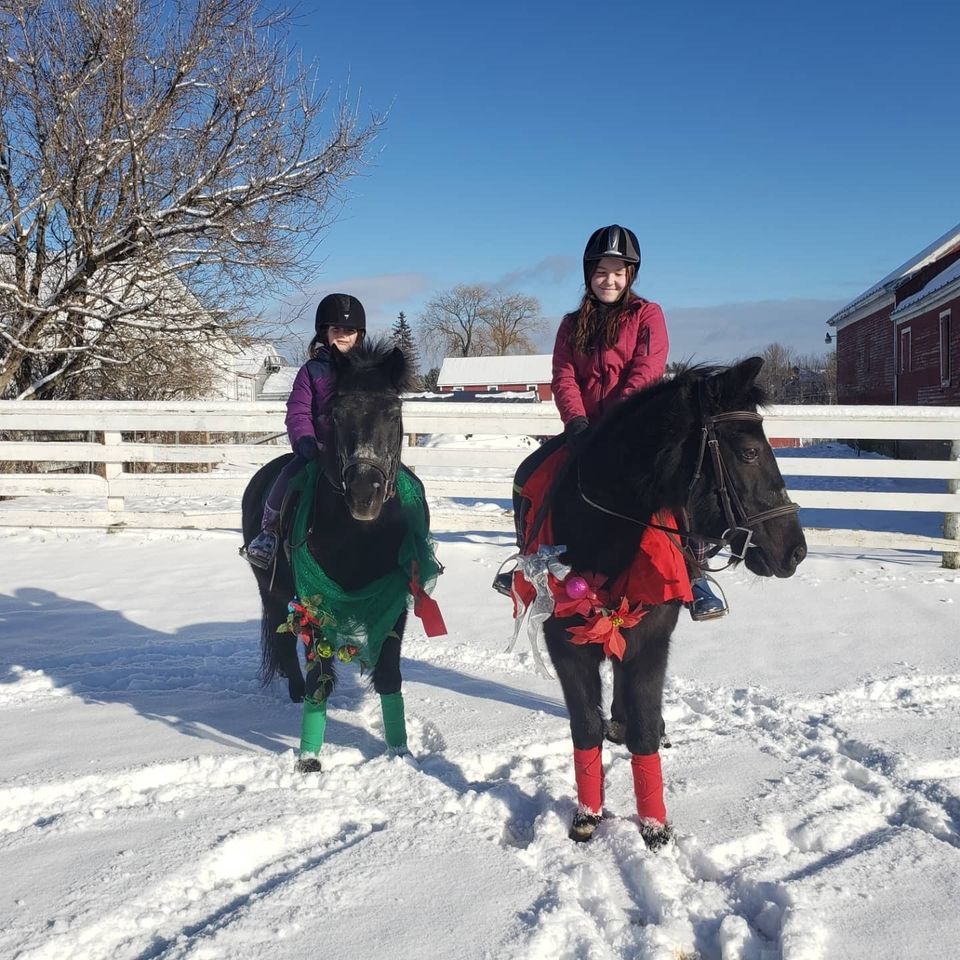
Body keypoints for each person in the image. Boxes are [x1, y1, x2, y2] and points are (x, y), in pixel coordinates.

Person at [493, 224, 726, 620]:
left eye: (618, 272)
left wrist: (617, 423)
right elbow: (563, 375)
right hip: (583, 431)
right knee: (529, 474)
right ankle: (526, 556)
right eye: (602, 272)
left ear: (630, 275)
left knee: (674, 489)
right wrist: (577, 422)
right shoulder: (571, 324)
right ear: (589, 274)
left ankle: (694, 573)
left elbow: (646, 370)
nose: (610, 280)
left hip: (631, 429)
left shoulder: (648, 314)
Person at [244, 293, 365, 569]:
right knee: (288, 474)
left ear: (359, 335)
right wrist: (306, 442)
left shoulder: (368, 371)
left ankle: (413, 541)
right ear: (324, 332)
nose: (343, 336)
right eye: (337, 329)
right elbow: (298, 411)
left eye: (349, 331)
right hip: (318, 450)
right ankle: (270, 531)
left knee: (401, 485)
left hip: (358, 453)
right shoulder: (312, 371)